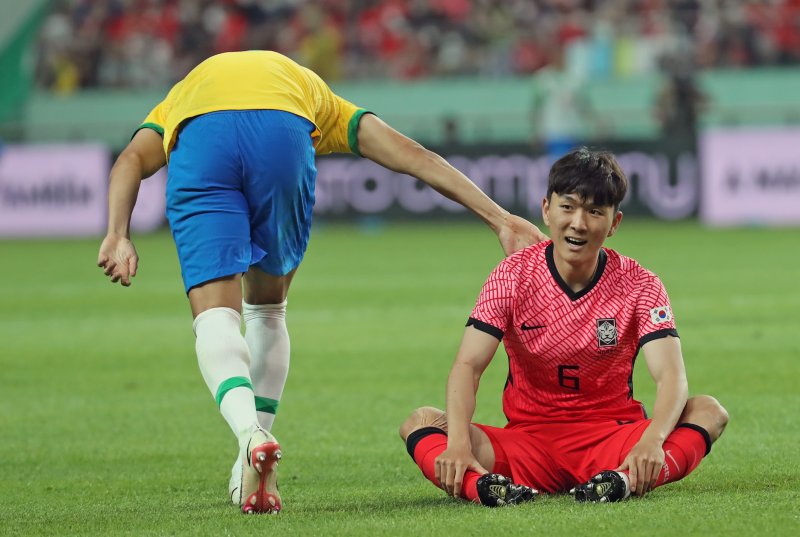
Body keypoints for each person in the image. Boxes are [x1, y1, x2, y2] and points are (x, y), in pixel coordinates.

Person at [96, 50, 546, 514]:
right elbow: (413, 156)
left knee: (215, 313)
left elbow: (131, 157)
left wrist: (117, 234)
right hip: (284, 128)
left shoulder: (178, 99)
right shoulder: (318, 96)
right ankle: (247, 456)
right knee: (267, 309)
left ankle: (249, 435)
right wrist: (500, 219)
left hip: (201, 132)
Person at [399, 147, 729, 506]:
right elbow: (468, 366)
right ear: (546, 210)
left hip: (614, 439)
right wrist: (460, 445)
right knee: (421, 421)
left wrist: (652, 440)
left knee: (709, 411)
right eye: (568, 207)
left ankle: (620, 479)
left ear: (614, 223)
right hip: (528, 445)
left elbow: (671, 377)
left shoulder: (640, 284)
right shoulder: (511, 276)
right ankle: (486, 485)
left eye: (594, 211)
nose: (579, 223)